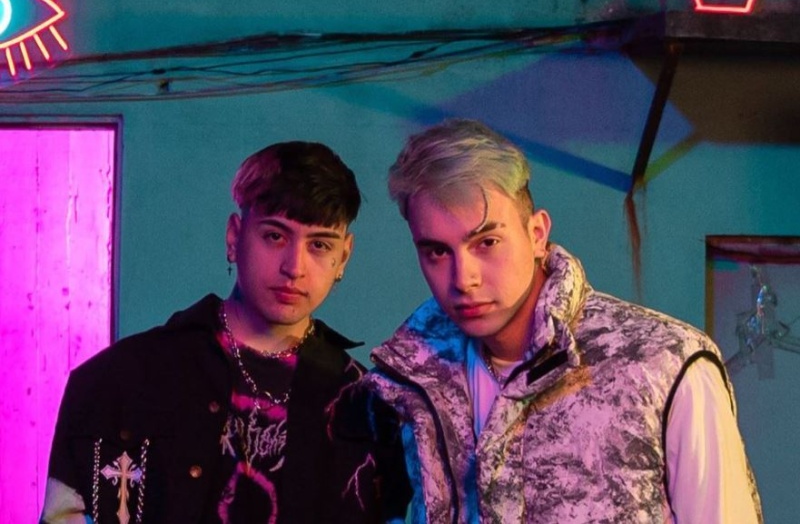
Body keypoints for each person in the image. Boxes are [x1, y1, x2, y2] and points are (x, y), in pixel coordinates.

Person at [365, 118, 762, 523]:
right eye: (437, 252)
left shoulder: (663, 364)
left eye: (487, 242)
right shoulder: (410, 380)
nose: (463, 279)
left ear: (537, 234)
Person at [41, 141, 409, 523]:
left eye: (319, 244)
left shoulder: (364, 406)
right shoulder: (120, 377)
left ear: (343, 257)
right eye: (275, 236)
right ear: (235, 237)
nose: (294, 267)